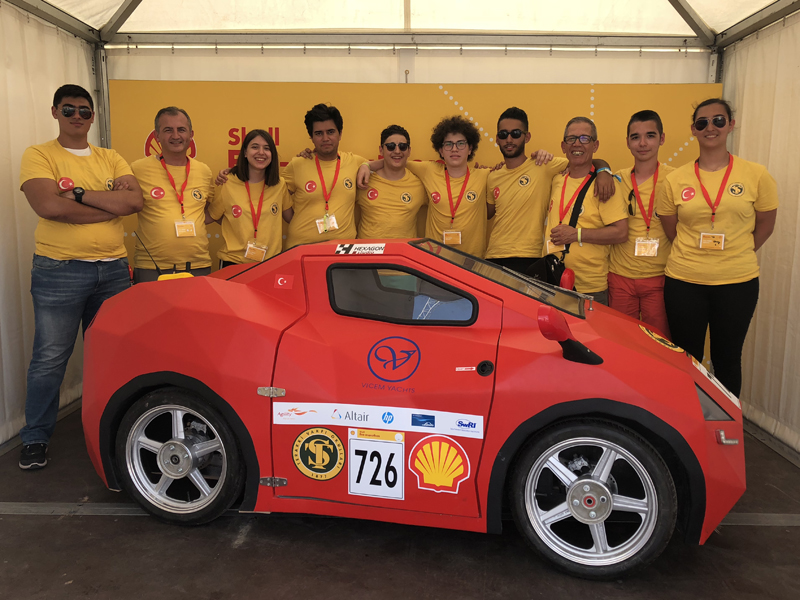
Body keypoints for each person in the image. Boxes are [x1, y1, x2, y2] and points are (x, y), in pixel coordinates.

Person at [18, 84, 142, 470]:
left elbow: (133, 202)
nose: (77, 116)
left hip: (113, 270)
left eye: (84, 111)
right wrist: (107, 205)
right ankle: (35, 437)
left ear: (92, 116)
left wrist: (76, 195)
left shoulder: (111, 157)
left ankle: (108, 434)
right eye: (69, 109)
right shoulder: (39, 154)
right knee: (50, 359)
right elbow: (47, 206)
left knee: (111, 357)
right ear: (55, 112)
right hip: (60, 271)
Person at [658, 98, 778, 396]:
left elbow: (766, 224)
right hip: (684, 281)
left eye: (718, 120)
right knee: (686, 358)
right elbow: (672, 229)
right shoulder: (674, 180)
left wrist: (738, 251)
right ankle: (690, 420)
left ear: (731, 125)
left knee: (728, 358)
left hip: (737, 282)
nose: (710, 127)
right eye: (702, 123)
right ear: (693, 130)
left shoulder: (756, 175)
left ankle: (726, 423)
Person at [486, 107, 615, 274]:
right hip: (493, 256)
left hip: (529, 257)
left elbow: (582, 159)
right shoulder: (492, 176)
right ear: (497, 139)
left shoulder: (543, 165)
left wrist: (604, 170)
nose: (509, 139)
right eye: (503, 134)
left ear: (527, 137)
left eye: (516, 133)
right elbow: (485, 213)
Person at [544, 117, 628, 305]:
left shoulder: (605, 185)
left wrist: (576, 235)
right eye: (571, 138)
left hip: (589, 288)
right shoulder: (557, 179)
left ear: (595, 145)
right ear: (563, 146)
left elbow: (621, 232)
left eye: (584, 138)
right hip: (553, 281)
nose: (577, 144)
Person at [608, 110, 673, 335]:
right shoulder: (616, 179)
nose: (642, 143)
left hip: (659, 277)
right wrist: (602, 169)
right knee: (622, 341)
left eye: (650, 136)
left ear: (661, 139)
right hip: (620, 277)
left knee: (659, 344)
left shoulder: (676, 179)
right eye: (635, 137)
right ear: (627, 142)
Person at [130, 107, 214, 282]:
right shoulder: (137, 169)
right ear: (157, 135)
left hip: (198, 265)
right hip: (152, 267)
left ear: (191, 134)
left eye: (181, 130)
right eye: (168, 130)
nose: (176, 136)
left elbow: (207, 210)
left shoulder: (204, 171)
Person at [283, 104, 367, 248]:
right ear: (311, 137)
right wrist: (296, 220)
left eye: (330, 132)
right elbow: (276, 195)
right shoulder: (297, 164)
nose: (325, 138)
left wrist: (367, 166)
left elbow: (389, 164)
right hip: (302, 247)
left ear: (340, 134)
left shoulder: (354, 162)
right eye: (319, 133)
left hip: (342, 249)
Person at [207, 129, 290, 266]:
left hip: (270, 263)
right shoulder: (227, 182)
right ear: (245, 152)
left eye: (267, 148)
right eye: (255, 147)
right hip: (234, 262)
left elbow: (292, 218)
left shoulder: (279, 185)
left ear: (272, 155)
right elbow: (211, 215)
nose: (261, 152)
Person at [356, 125, 426, 239]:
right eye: (391, 146)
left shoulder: (419, 185)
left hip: (403, 250)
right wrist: (365, 165)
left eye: (402, 147)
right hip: (367, 250)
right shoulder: (364, 180)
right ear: (381, 150)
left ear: (409, 151)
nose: (397, 151)